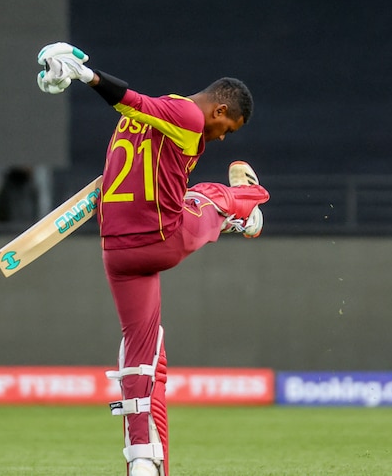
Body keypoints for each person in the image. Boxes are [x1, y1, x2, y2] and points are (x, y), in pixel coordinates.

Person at [37, 42, 270, 476]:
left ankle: (143, 462)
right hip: (162, 237)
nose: (221, 138)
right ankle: (249, 209)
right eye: (228, 129)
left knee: (143, 358)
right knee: (205, 196)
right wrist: (85, 76)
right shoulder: (189, 117)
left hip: (116, 250)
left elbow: (136, 112)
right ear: (220, 110)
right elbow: (130, 99)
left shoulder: (137, 125)